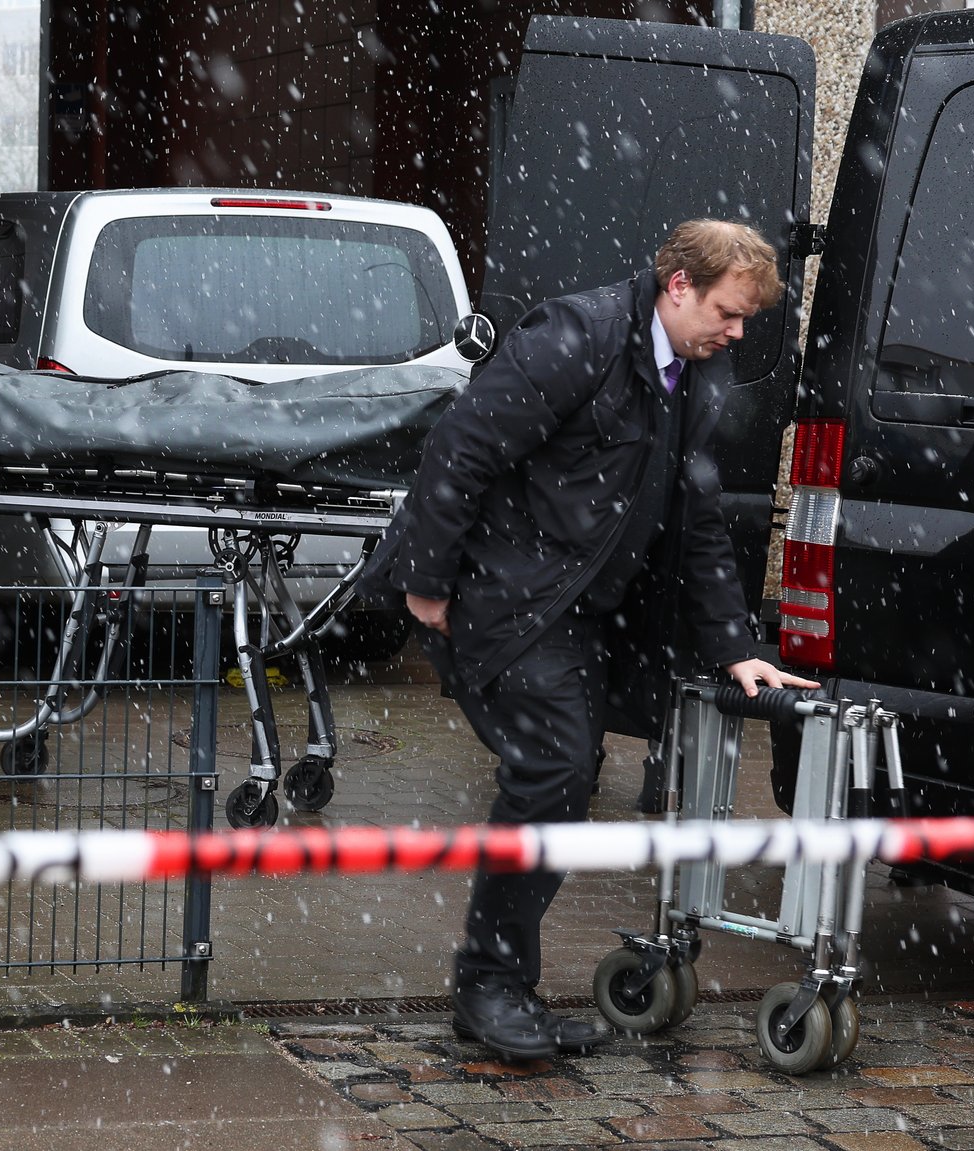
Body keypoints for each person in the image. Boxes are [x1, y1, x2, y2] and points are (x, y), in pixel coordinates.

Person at [357, 219, 818, 1062]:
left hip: (572, 610)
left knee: (561, 782)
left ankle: (498, 986)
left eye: (747, 318)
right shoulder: (577, 338)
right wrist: (425, 582)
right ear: (678, 284)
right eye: (728, 311)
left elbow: (698, 514)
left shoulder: (688, 375)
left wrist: (733, 643)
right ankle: (489, 986)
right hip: (504, 597)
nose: (738, 333)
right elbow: (461, 448)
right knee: (554, 773)